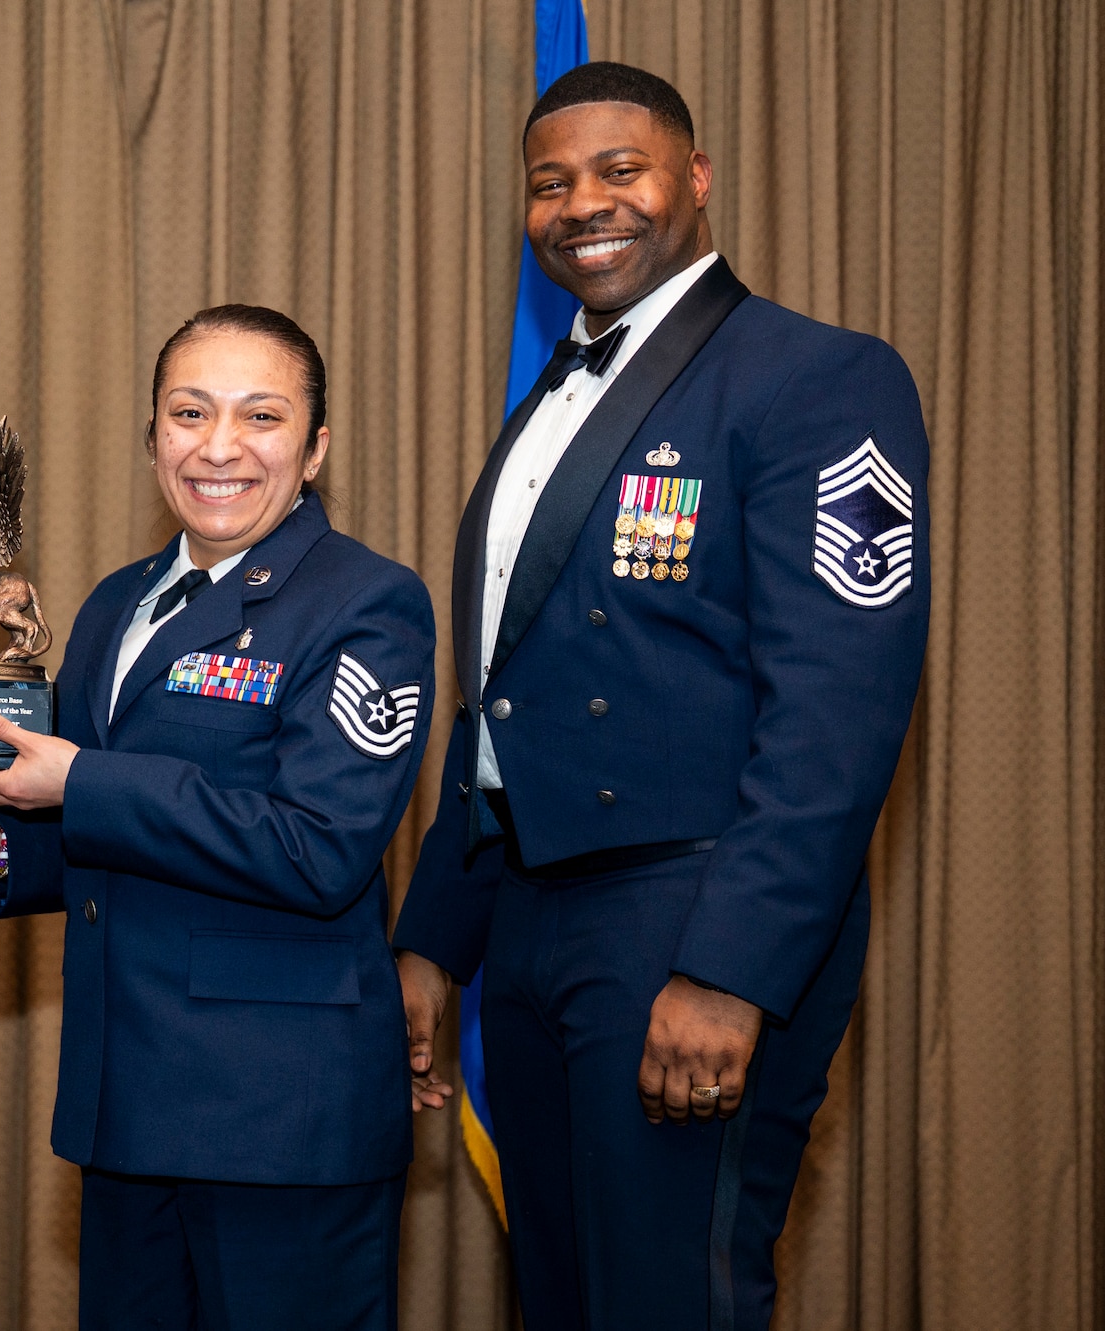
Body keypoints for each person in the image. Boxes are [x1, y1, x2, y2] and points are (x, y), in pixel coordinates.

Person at [390, 63, 930, 1330]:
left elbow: (835, 714)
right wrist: (434, 933)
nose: (583, 203)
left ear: (691, 179)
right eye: (549, 182)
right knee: (561, 1295)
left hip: (682, 916)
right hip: (525, 919)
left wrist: (729, 968)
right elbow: (505, 690)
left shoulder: (816, 377)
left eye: (617, 170)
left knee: (664, 1299)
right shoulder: (546, 404)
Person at [0, 306, 436, 1328]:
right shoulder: (120, 601)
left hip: (278, 1124)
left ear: (314, 444)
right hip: (128, 1104)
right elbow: (82, 817)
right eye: (188, 411)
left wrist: (78, 784)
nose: (218, 446)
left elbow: (317, 848)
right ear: (152, 434)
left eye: (260, 415)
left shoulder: (367, 602)